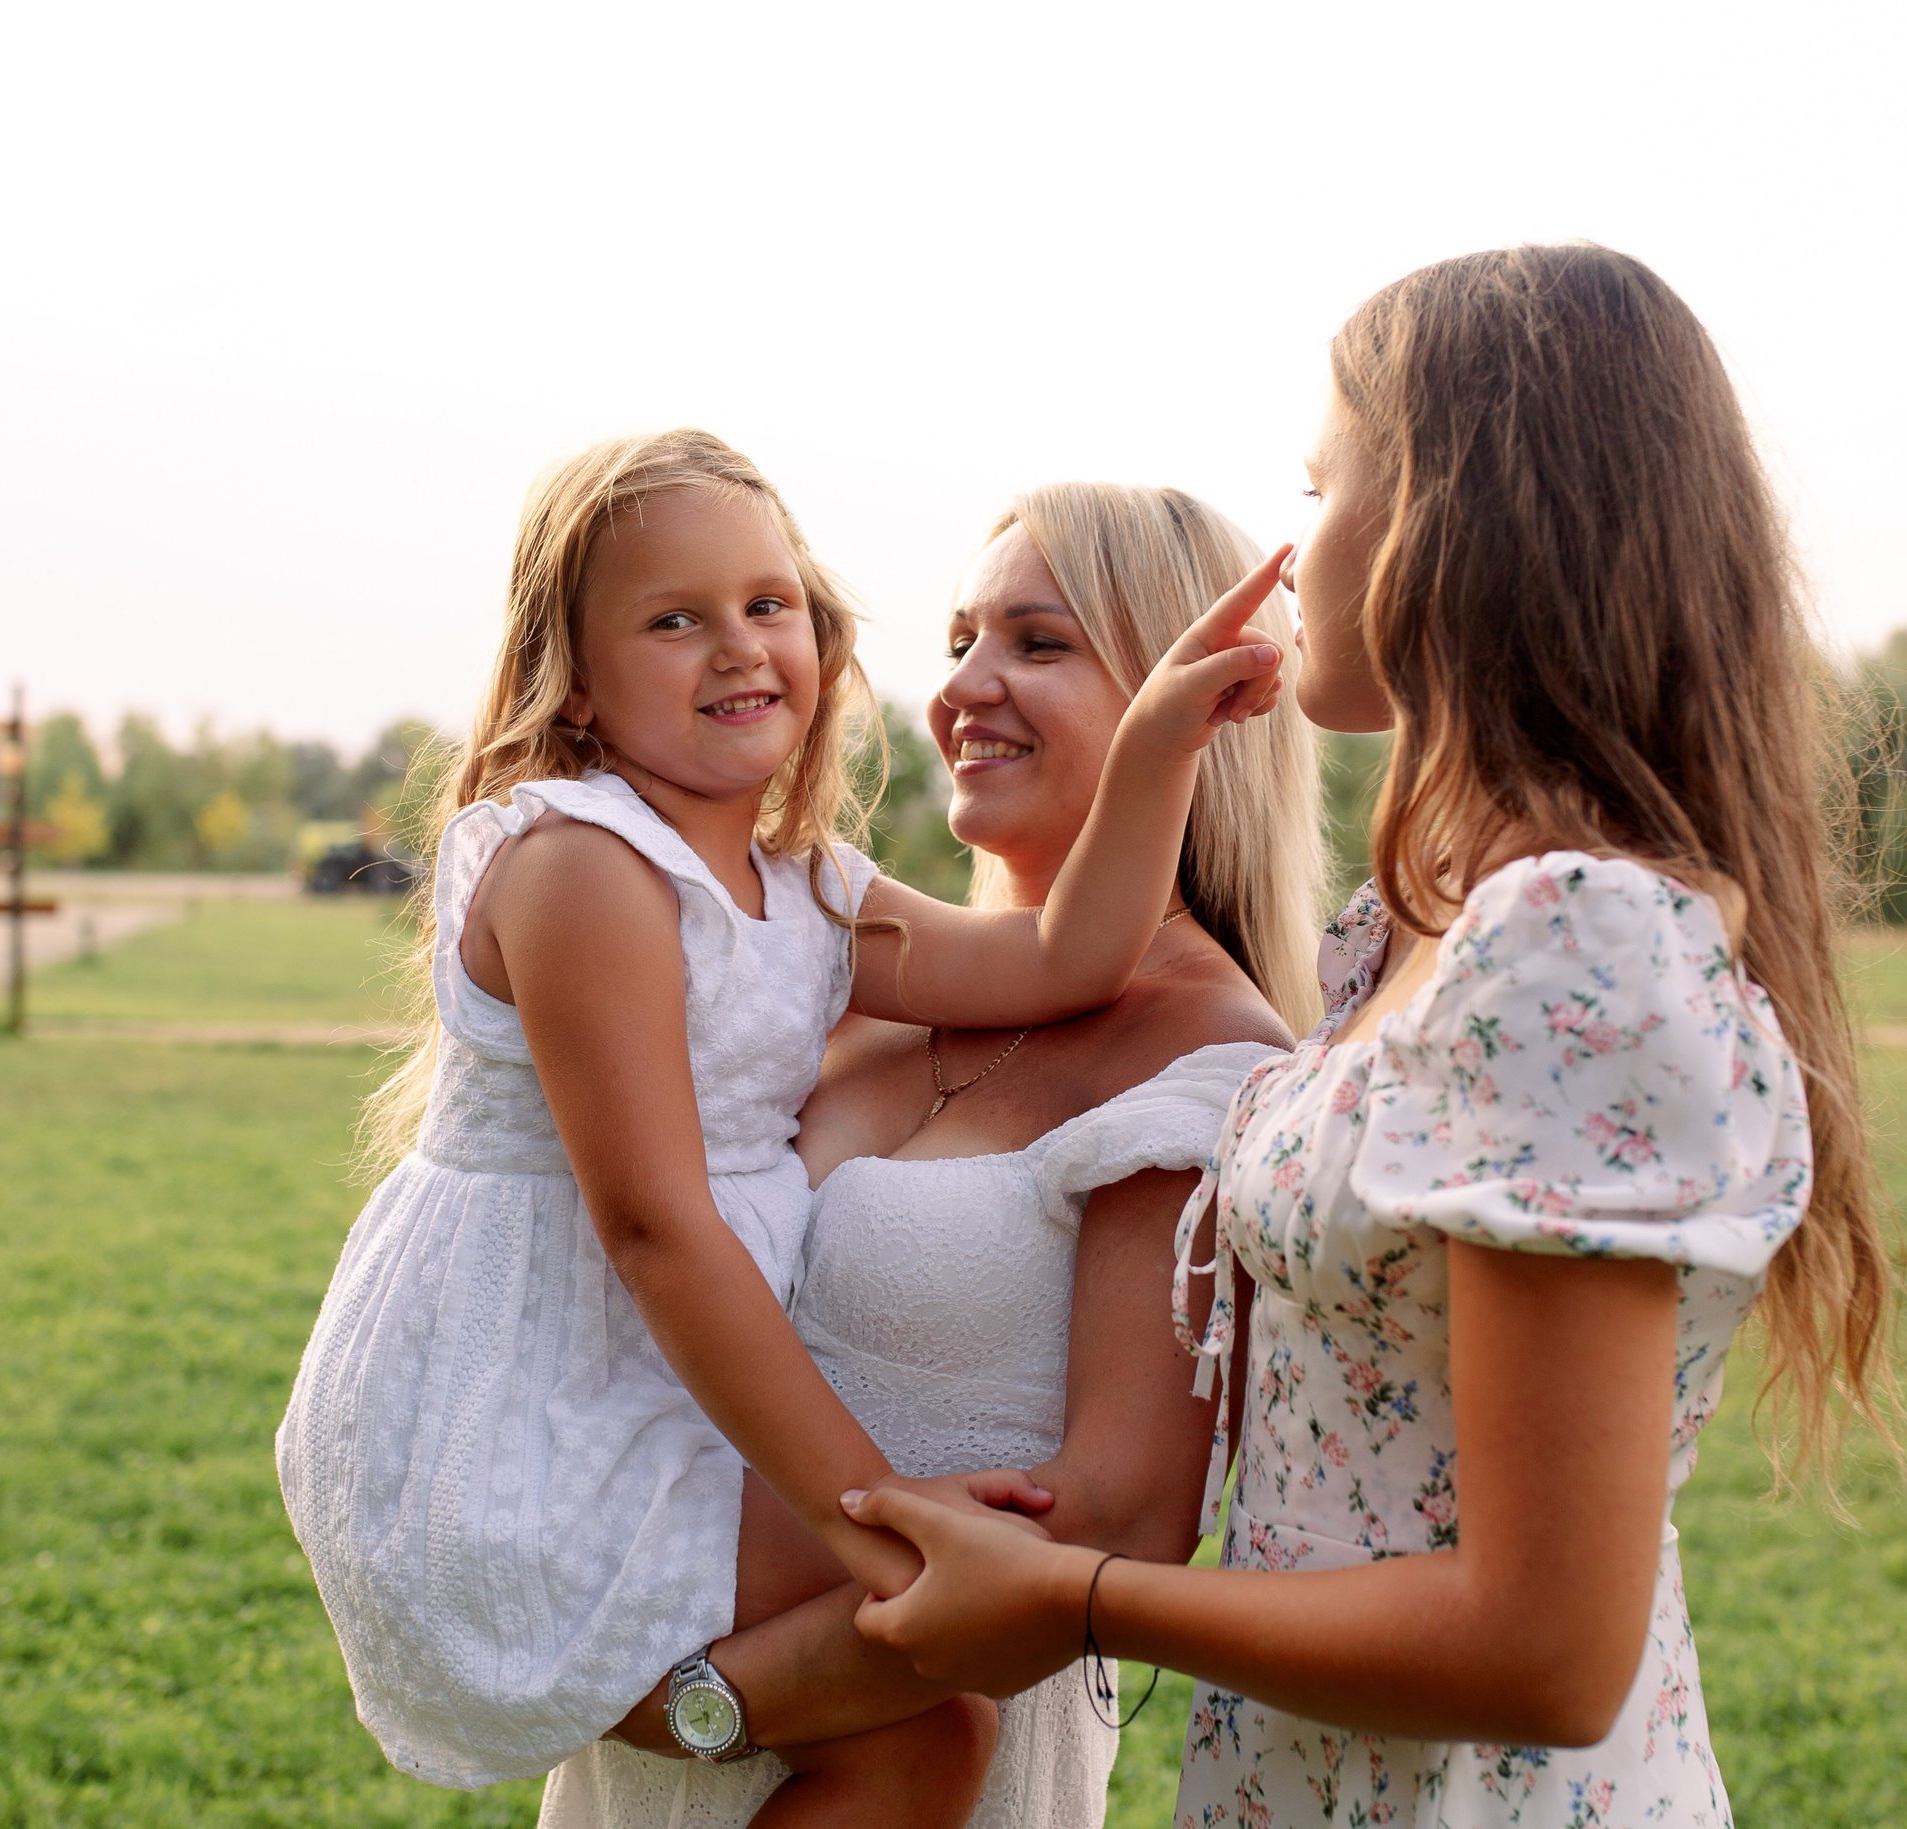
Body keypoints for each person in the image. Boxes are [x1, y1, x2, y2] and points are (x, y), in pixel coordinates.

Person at [841, 246, 1900, 1828]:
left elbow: (1544, 1651)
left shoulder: (1575, 944)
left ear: (1449, 518)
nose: (1289, 543)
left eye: (1323, 481)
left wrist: (1076, 1600)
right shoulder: (1411, 935)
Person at [274, 430, 1288, 1825]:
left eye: (768, 606)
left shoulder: (807, 897)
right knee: (924, 1736)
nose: (739, 647)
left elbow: (1066, 957)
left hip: (708, 1514)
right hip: (528, 1417)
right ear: (572, 681)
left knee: (927, 1745)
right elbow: (655, 1230)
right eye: (673, 617)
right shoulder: (585, 868)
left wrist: (1165, 740)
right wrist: (871, 1512)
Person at [540, 483, 1327, 1829]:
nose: (964, 687)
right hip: (632, 1753)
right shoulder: (837, 987)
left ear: (1190, 702)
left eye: (1038, 642)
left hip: (897, 1756)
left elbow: (1110, 1529)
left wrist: (693, 1697)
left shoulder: (1208, 1060)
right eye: (962, 638)